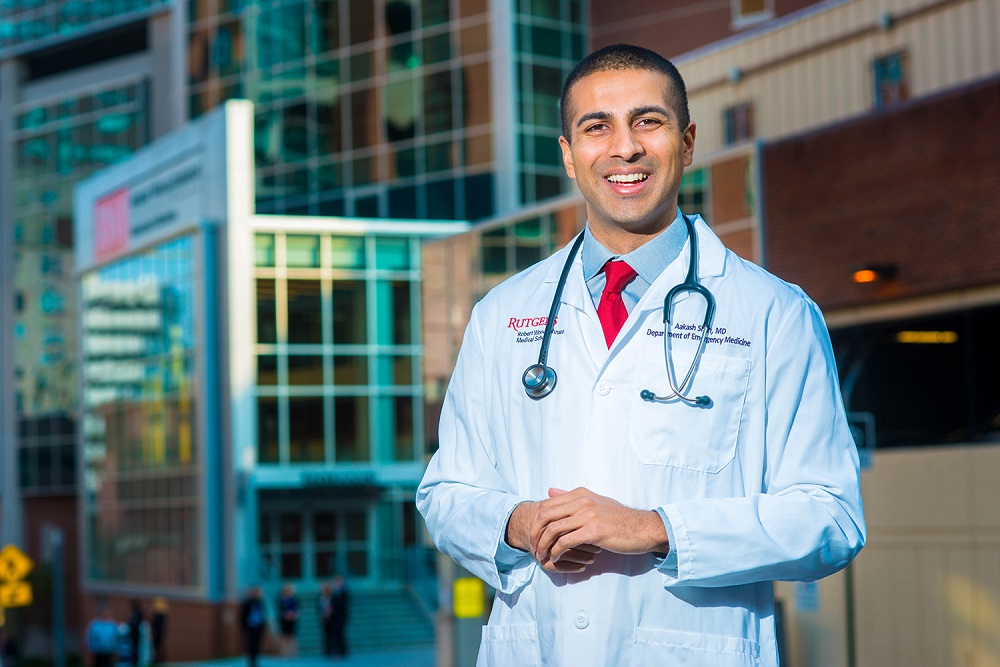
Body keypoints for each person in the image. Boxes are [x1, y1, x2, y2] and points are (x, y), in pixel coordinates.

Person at [416, 43, 866, 666]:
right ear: (569, 157)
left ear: (686, 144)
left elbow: (832, 518)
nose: (624, 148)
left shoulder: (772, 314)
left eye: (647, 122)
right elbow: (445, 492)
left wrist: (655, 529)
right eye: (596, 127)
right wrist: (520, 524)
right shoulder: (501, 314)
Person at [320, 575, 349, 658]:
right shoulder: (332, 593)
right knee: (331, 635)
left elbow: (340, 604)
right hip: (332, 617)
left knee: (339, 634)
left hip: (339, 616)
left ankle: (342, 650)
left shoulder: (343, 592)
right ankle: (331, 650)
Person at [85, 602, 119, 667]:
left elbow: (116, 637)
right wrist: (89, 647)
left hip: (109, 652)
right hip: (97, 652)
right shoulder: (94, 624)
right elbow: (89, 636)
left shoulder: (112, 624)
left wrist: (116, 649)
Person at [240, 587, 267, 667]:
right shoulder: (247, 603)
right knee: (250, 644)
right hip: (250, 626)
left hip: (259, 626)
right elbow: (243, 615)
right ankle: (251, 661)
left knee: (257, 644)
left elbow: (263, 615)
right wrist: (244, 626)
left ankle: (256, 660)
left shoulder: (260, 602)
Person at [276, 584, 298, 656]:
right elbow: (280, 609)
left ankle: (292, 652)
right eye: (286, 590)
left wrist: (293, 615)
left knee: (292, 636)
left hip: (292, 620)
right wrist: (285, 615)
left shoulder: (294, 599)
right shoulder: (281, 600)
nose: (288, 592)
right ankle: (283, 652)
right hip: (283, 620)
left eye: (289, 590)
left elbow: (297, 609)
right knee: (283, 636)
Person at [150, 597, 168, 665]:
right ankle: (159, 659)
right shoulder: (163, 615)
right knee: (159, 646)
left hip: (157, 633)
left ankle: (158, 659)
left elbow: (154, 624)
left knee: (157, 647)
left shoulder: (159, 615)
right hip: (160, 633)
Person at [125, 599, 144, 666]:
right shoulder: (136, 612)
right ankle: (134, 661)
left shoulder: (137, 613)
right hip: (134, 633)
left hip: (135, 633)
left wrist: (130, 622)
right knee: (134, 648)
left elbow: (135, 623)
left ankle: (135, 661)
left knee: (135, 648)